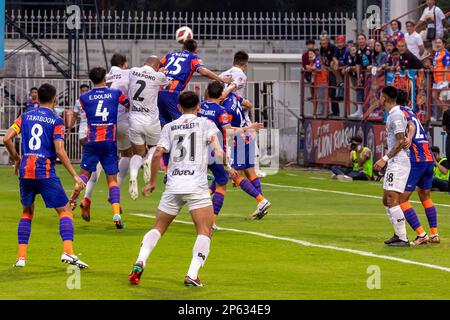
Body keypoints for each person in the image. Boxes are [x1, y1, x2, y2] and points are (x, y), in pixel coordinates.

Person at [128, 91, 237, 287]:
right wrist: (229, 168)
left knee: (158, 228)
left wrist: (152, 181)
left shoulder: (170, 127)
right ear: (198, 107)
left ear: (179, 107)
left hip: (173, 185)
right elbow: (217, 150)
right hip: (196, 186)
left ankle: (140, 260)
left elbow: (157, 153)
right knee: (205, 230)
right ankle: (192, 275)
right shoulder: (206, 124)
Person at [3, 83, 88, 269]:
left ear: (37, 98)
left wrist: (17, 158)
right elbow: (59, 150)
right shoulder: (56, 121)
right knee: (65, 211)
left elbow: (6, 138)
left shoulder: (24, 117)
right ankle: (68, 252)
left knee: (27, 212)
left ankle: (21, 258)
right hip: (44, 170)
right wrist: (75, 175)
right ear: (55, 98)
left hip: (26, 170)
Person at [69, 67, 130, 228]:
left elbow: (85, 110)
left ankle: (72, 201)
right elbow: (128, 104)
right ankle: (116, 213)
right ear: (105, 78)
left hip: (92, 140)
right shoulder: (115, 93)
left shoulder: (83, 97)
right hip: (109, 141)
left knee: (84, 175)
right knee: (112, 179)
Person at [199, 81, 264, 227]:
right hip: (217, 149)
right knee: (224, 182)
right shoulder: (222, 110)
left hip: (200, 149)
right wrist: (249, 127)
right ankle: (212, 221)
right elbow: (229, 130)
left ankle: (261, 201)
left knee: (209, 181)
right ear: (222, 93)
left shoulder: (201, 106)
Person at [397, 90, 439, 245]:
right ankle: (434, 234)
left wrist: (408, 137)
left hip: (418, 161)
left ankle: (421, 234)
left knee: (401, 199)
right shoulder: (411, 112)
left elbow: (411, 125)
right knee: (425, 196)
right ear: (408, 102)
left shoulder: (400, 112)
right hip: (428, 159)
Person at [222, 89, 271, 220]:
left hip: (238, 138)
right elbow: (248, 104)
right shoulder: (234, 97)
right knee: (250, 173)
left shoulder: (225, 108)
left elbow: (228, 129)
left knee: (230, 174)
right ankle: (261, 203)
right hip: (247, 137)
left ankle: (262, 201)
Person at [128, 56, 170, 200]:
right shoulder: (159, 75)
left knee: (138, 153)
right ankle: (148, 161)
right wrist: (163, 73)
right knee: (154, 146)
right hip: (151, 120)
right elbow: (168, 85)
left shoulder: (133, 71)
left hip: (134, 119)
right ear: (157, 66)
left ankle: (133, 175)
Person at [373, 86, 410, 247]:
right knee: (385, 200)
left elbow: (401, 141)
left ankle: (403, 238)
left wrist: (385, 159)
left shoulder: (395, 115)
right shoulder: (393, 115)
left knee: (391, 198)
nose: (379, 99)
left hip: (399, 162)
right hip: (395, 162)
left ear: (384, 98)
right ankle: (397, 233)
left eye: (380, 96)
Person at [351, 33, 372, 119]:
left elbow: (373, 61)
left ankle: (368, 111)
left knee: (369, 91)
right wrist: (358, 76)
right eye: (359, 39)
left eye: (362, 39)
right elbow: (357, 64)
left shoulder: (369, 50)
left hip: (370, 73)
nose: (361, 41)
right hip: (361, 74)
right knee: (359, 89)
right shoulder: (358, 51)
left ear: (365, 40)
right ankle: (359, 111)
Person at [319, 34, 340, 116]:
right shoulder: (321, 48)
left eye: (324, 40)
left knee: (333, 91)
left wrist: (332, 66)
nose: (323, 42)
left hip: (334, 71)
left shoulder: (333, 47)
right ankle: (332, 111)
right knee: (329, 92)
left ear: (328, 40)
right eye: (322, 40)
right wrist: (323, 66)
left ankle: (336, 112)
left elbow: (335, 59)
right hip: (327, 71)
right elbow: (321, 58)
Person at [432, 38, 450, 116]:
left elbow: (447, 68)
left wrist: (446, 82)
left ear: (443, 44)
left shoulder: (446, 53)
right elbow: (436, 65)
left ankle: (445, 116)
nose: (437, 44)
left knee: (443, 99)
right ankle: (446, 114)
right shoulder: (437, 53)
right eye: (436, 43)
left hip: (443, 80)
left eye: (439, 43)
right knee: (435, 96)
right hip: (436, 79)